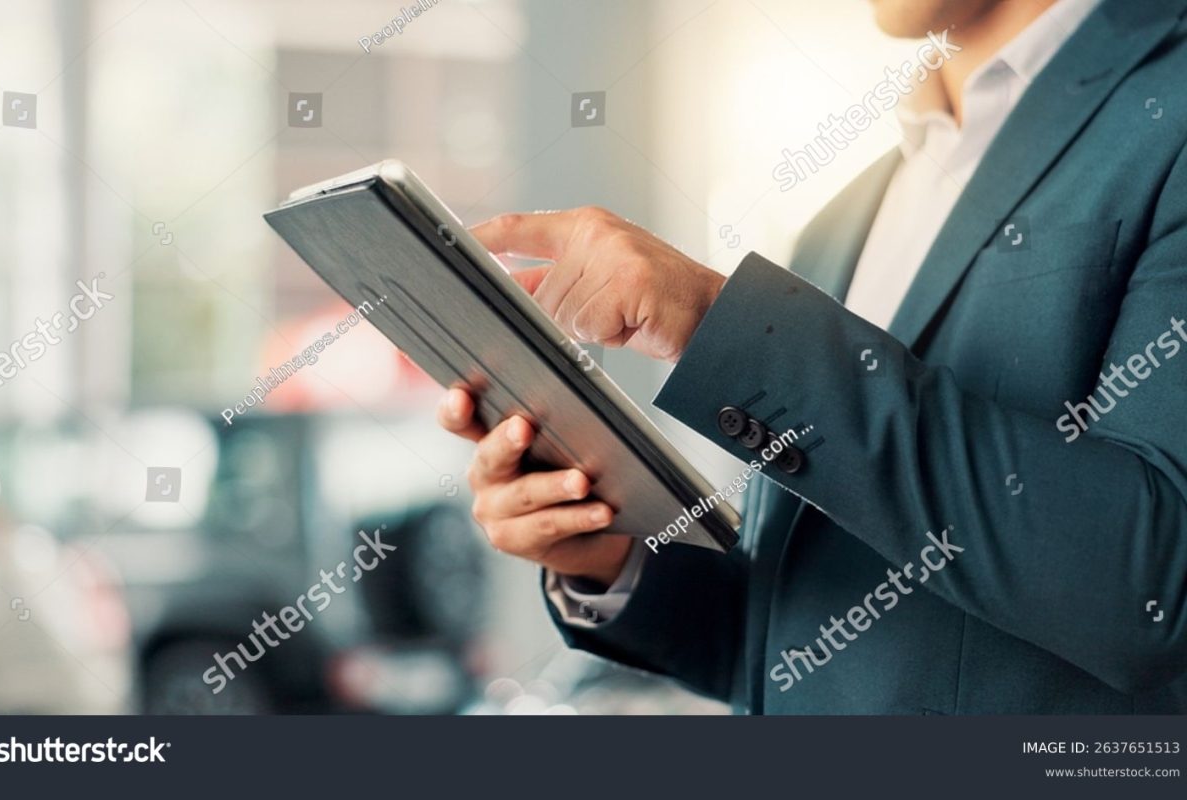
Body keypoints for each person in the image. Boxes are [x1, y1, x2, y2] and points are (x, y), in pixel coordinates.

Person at [437, 0, 1187, 713]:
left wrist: (716, 321)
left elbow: (1155, 589)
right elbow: (784, 649)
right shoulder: (844, 219)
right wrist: (608, 555)